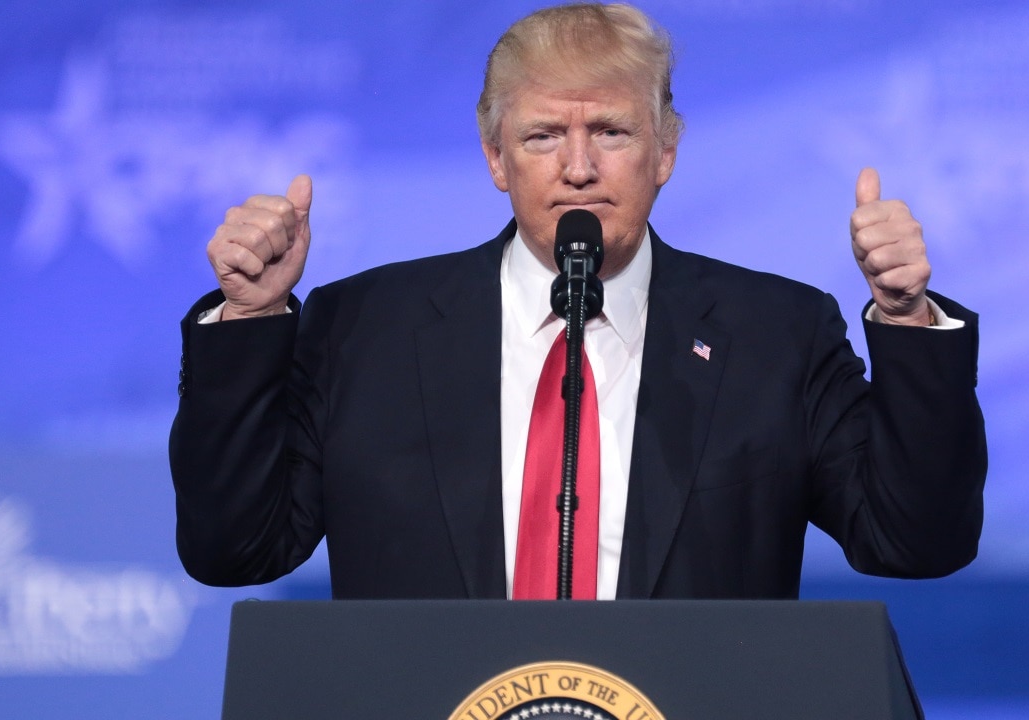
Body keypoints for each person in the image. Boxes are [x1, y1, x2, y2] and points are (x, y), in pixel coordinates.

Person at [169, 2, 985, 600]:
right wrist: (249, 319)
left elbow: (915, 543)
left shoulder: (777, 334)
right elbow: (236, 550)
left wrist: (908, 321)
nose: (579, 167)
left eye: (613, 132)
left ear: (666, 150)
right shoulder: (362, 331)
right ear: (496, 158)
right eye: (542, 136)